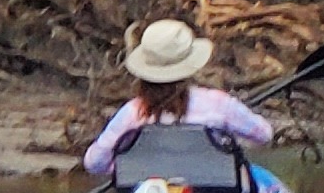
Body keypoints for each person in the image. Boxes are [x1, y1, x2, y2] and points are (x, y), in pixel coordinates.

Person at [84, 17, 274, 178]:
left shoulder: (131, 114)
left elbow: (94, 163)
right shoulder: (219, 104)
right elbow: (264, 134)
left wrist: (126, 167)